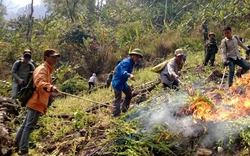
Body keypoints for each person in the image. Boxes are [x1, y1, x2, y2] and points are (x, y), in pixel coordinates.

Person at [14, 49, 60, 156]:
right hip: (36, 101)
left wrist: (50, 90)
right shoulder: (42, 69)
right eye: (53, 57)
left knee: (25, 124)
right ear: (46, 57)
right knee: (29, 126)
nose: (55, 59)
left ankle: (15, 145)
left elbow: (42, 86)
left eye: (56, 57)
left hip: (37, 101)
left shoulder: (47, 69)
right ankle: (24, 151)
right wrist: (51, 87)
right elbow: (39, 83)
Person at [112, 48, 143, 117]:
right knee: (118, 99)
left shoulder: (132, 62)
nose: (138, 58)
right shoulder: (126, 62)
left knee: (129, 94)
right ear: (133, 55)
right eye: (136, 56)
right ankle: (115, 115)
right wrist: (130, 75)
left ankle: (124, 110)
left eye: (139, 57)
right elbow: (123, 72)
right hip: (117, 82)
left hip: (123, 82)